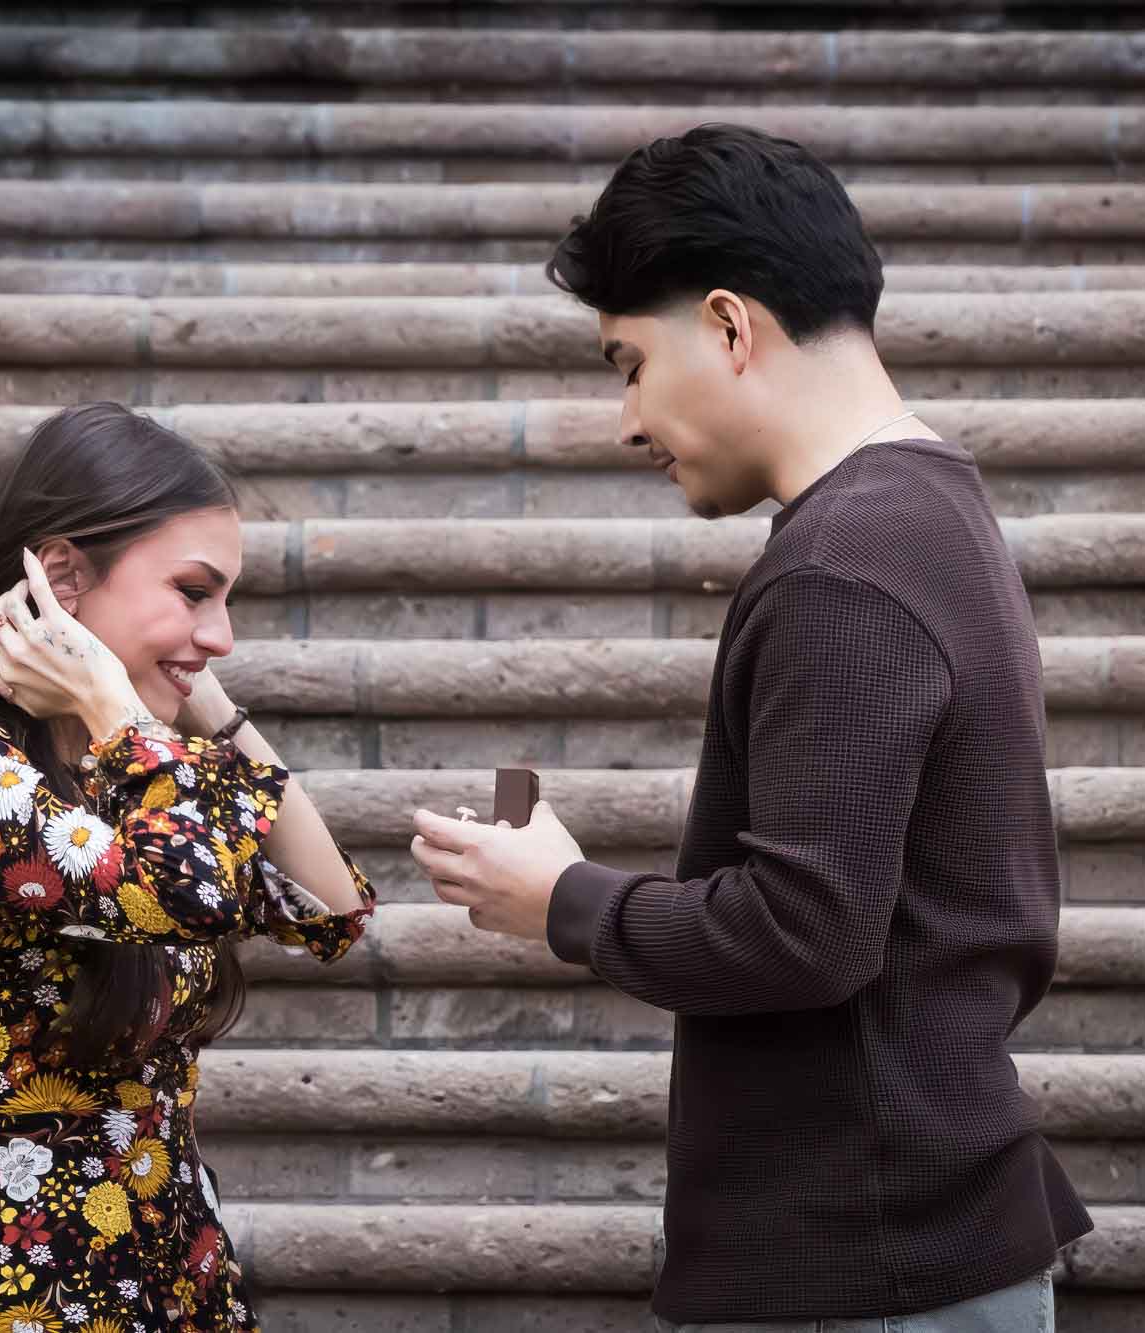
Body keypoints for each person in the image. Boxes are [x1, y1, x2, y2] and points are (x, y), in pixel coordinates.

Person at [410, 124, 1091, 1331]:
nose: (626, 419)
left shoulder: (842, 562)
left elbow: (805, 931)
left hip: (866, 1261)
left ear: (728, 326)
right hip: (905, 1234)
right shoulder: (924, 509)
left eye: (628, 363)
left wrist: (562, 899)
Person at [0, 403, 375, 1333]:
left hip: (183, 1277)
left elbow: (332, 908)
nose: (222, 634)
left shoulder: (120, 772)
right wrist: (126, 709)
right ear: (63, 577)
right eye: (193, 592)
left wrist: (204, 700)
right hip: (47, 1294)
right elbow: (191, 890)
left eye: (226, 601)